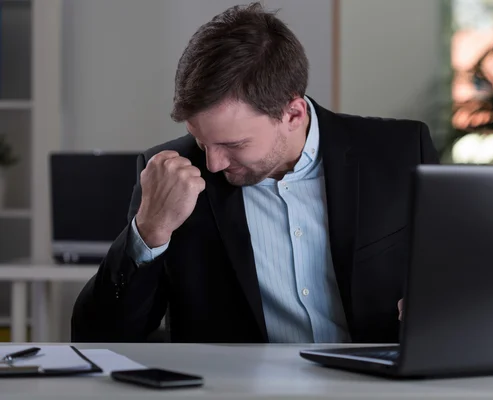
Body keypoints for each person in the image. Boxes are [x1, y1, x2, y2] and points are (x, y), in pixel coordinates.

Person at [71, 2, 438, 344]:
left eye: (233, 145)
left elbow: (460, 278)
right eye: (200, 140)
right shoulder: (168, 175)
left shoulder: (401, 151)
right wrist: (149, 231)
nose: (212, 164)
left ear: (292, 114)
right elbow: (97, 337)